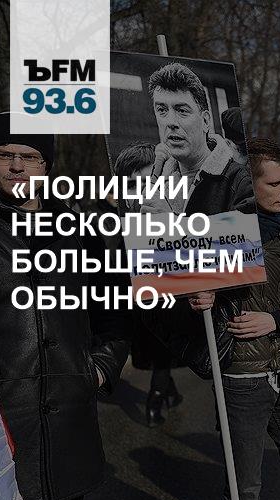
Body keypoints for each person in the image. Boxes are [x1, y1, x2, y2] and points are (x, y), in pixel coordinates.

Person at [0, 112, 131, 500]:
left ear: (46, 165)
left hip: (68, 428)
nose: (17, 166)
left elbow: (114, 310)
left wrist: (98, 369)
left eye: (29, 156)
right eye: (4, 154)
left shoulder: (81, 233)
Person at [189, 138, 280, 500]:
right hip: (241, 382)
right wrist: (197, 299)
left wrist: (275, 320)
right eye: (276, 184)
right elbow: (161, 302)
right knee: (243, 493)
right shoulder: (209, 232)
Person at [114, 142, 185, 426]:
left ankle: (156, 399)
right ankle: (168, 392)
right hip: (139, 308)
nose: (141, 192)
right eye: (132, 185)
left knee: (162, 352)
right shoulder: (119, 227)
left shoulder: (180, 222)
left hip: (171, 307)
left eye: (148, 182)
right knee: (156, 354)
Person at [147, 62, 254, 215]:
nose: (171, 122)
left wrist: (171, 223)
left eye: (182, 110)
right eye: (162, 110)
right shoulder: (154, 184)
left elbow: (247, 231)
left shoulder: (241, 181)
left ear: (205, 121)